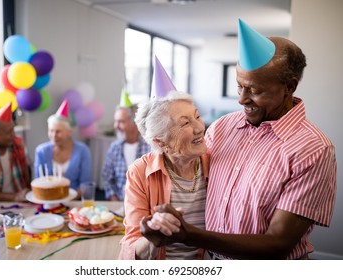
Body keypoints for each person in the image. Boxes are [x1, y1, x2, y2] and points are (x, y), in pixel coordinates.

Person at [141, 19, 337, 260]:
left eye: (254, 91)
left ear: (289, 87)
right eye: (239, 86)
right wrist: (163, 219)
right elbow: (191, 183)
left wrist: (189, 235)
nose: (242, 99)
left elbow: (277, 244)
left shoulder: (313, 149)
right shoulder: (223, 127)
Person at [118, 57, 210, 260]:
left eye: (197, 116)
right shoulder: (139, 172)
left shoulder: (216, 162)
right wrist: (152, 232)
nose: (199, 128)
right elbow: (130, 247)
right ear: (160, 142)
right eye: (185, 123)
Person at [34, 100, 92, 197]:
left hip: (74, 200)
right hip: (47, 200)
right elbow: (38, 182)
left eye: (58, 131)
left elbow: (85, 184)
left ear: (69, 131)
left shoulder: (82, 150)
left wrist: (67, 198)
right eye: (51, 131)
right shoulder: (41, 151)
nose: (54, 135)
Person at [102, 88, 150, 201]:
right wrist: (115, 201)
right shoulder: (115, 147)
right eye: (116, 121)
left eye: (121, 122)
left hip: (145, 204)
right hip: (119, 204)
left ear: (134, 123)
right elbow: (107, 178)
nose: (115, 126)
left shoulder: (149, 147)